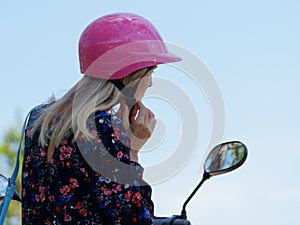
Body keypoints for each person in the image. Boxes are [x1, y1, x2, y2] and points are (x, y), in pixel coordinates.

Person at [22, 12, 181, 225]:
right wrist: (131, 151)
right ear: (131, 73)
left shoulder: (38, 119)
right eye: (150, 72)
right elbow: (135, 219)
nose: (150, 83)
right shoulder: (103, 128)